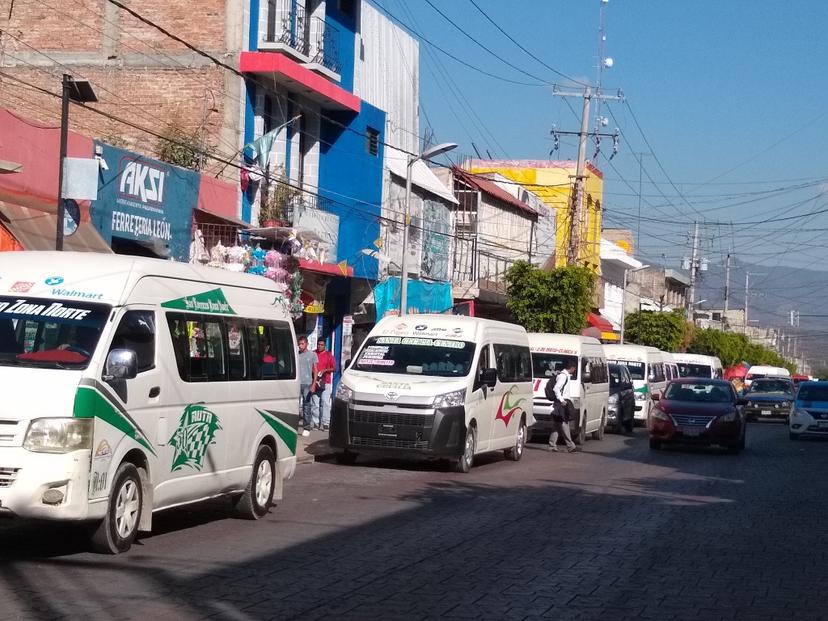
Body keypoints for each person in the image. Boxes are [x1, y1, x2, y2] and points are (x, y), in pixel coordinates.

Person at [546, 361, 580, 453]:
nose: (575, 370)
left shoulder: (565, 375)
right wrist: (562, 400)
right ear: (572, 368)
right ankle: (570, 446)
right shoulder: (563, 376)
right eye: (574, 368)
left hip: (561, 402)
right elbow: (556, 388)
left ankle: (552, 445)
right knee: (564, 424)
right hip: (561, 403)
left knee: (557, 425)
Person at [297, 336, 318, 436]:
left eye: (302, 344)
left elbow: (315, 369)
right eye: (299, 344)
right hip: (297, 383)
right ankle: (294, 426)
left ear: (306, 344)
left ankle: (306, 427)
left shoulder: (312, 355)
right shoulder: (297, 354)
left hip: (307, 383)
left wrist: (314, 383)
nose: (300, 346)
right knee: (296, 405)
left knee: (307, 405)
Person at [313, 339, 336, 431]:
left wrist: (325, 370)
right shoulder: (313, 353)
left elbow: (334, 368)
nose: (319, 346)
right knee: (315, 402)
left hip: (326, 381)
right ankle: (315, 422)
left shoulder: (328, 355)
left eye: (322, 345)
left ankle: (326, 423)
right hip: (315, 381)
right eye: (318, 344)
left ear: (324, 346)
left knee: (325, 402)